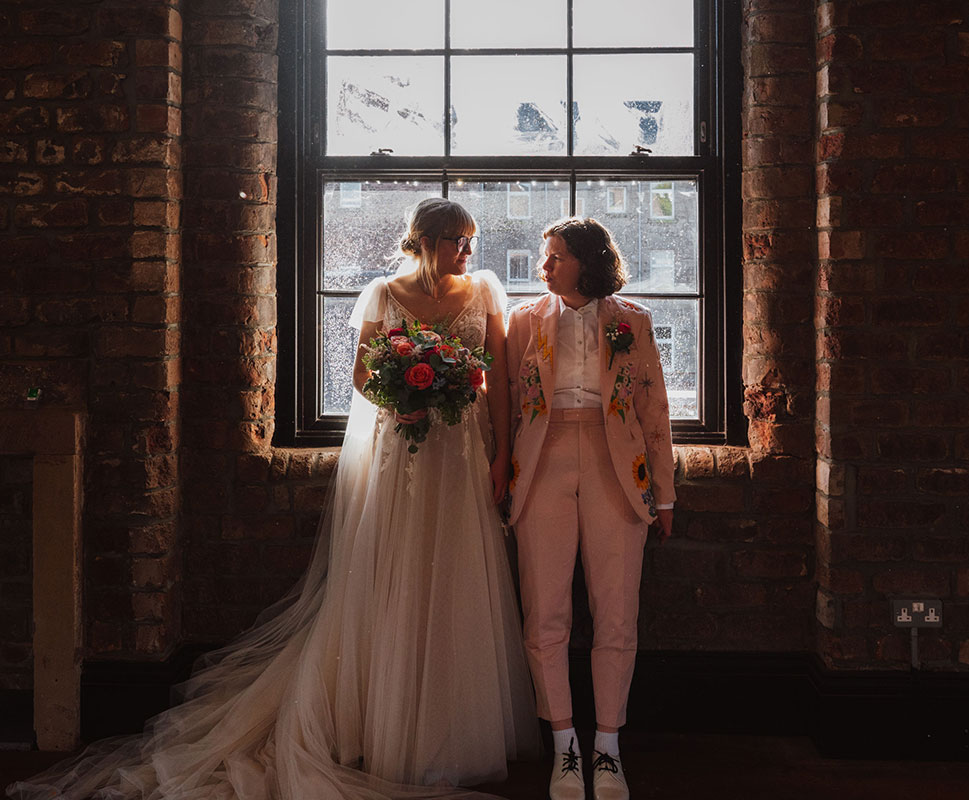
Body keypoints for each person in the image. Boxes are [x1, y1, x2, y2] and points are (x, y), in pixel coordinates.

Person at [8, 197, 540, 800]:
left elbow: (496, 379)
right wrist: (403, 400)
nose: (467, 252)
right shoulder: (383, 295)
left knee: (455, 578)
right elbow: (365, 378)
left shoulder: (485, 292)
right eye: (457, 241)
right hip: (403, 455)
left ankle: (448, 727)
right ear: (426, 240)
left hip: (462, 453)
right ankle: (379, 718)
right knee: (393, 575)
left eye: (470, 241)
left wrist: (502, 455)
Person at [506, 218, 676, 800]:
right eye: (543, 256)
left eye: (554, 256)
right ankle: (564, 750)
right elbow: (503, 405)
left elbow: (654, 413)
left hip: (616, 466)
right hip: (543, 461)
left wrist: (665, 492)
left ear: (586, 260)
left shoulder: (633, 321)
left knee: (617, 613)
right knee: (545, 611)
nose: (543, 267)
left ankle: (608, 748)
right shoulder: (522, 321)